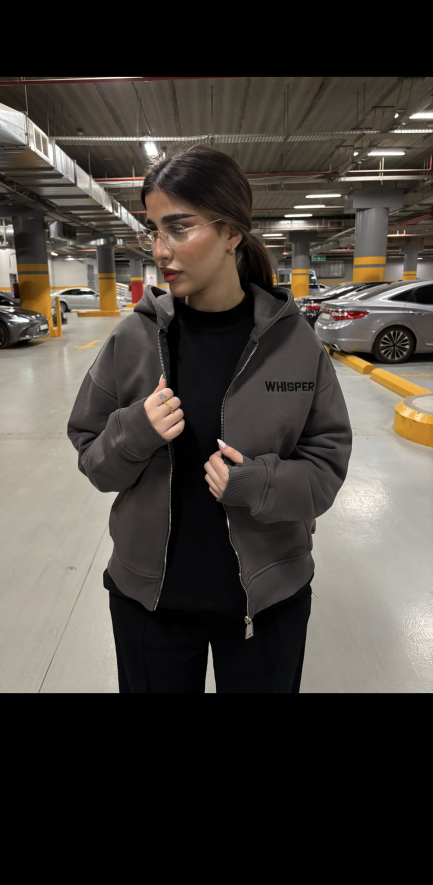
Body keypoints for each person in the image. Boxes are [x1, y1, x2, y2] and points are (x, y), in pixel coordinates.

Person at [67, 145, 352, 694]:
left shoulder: (294, 344)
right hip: (150, 604)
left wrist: (260, 483)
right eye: (154, 231)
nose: (161, 250)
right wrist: (134, 432)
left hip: (267, 601)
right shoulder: (134, 339)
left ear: (231, 233)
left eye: (179, 228)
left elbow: (326, 468)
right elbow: (94, 461)